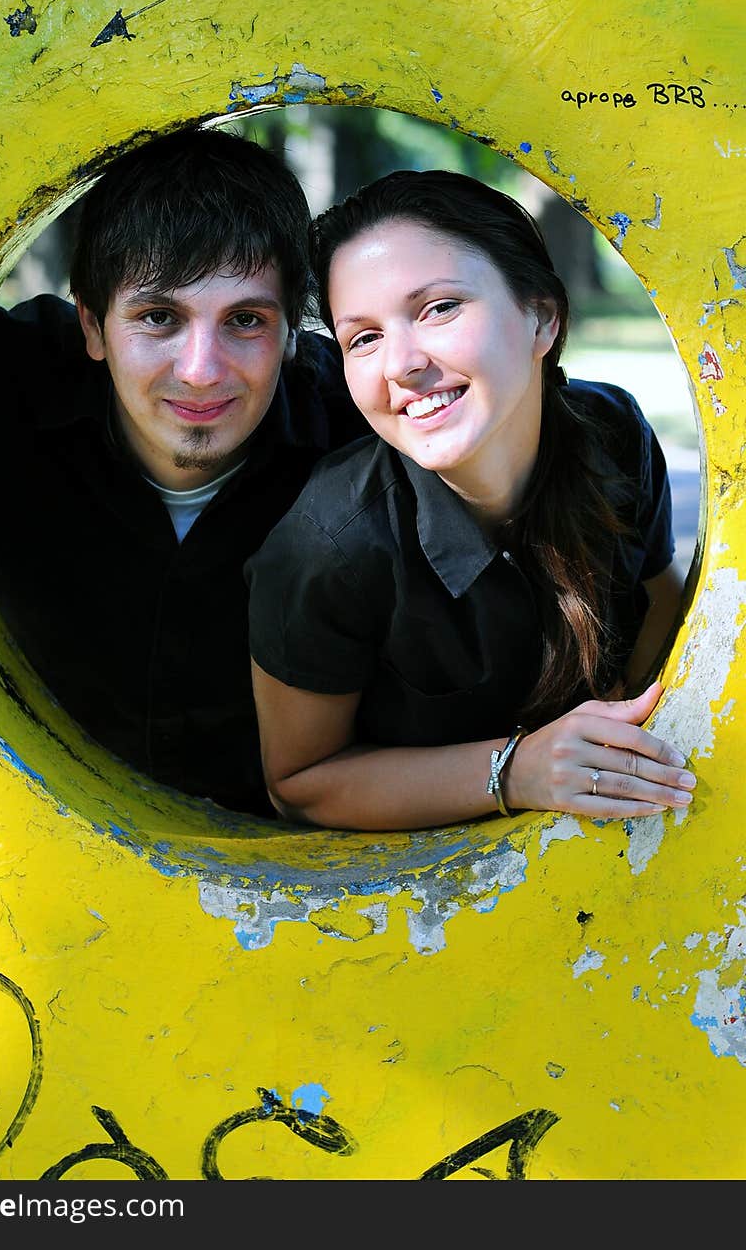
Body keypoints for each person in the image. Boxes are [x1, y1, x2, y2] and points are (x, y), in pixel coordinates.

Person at [245, 169, 696, 831]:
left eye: (439, 307)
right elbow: (300, 781)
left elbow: (664, 617)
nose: (401, 362)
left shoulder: (614, 435)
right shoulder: (327, 545)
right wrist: (516, 769)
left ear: (541, 316)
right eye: (363, 337)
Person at [0, 126, 366, 816]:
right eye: (157, 316)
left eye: (244, 319)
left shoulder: (360, 437)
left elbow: (581, 425)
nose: (201, 370)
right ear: (92, 326)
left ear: (294, 327)